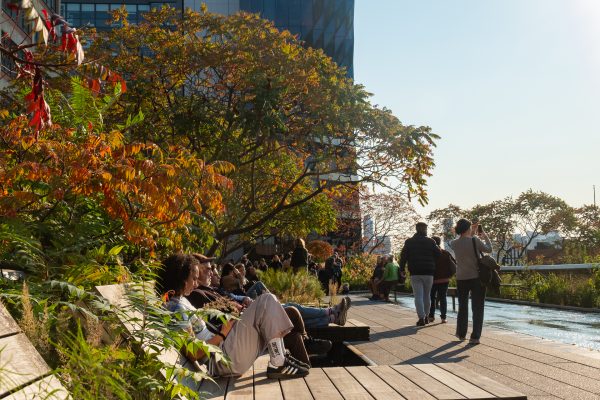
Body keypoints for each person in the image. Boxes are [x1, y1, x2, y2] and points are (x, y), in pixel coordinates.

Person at [156, 253, 309, 379]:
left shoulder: (179, 301)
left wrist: (229, 327)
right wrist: (223, 332)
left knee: (268, 303)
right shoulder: (176, 308)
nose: (196, 284)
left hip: (224, 353)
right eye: (194, 278)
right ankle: (279, 360)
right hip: (221, 360)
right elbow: (194, 353)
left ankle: (279, 358)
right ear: (181, 278)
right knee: (266, 300)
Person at [186, 254, 329, 365]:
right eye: (208, 269)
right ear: (196, 271)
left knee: (293, 335)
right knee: (285, 307)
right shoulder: (197, 294)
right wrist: (242, 310)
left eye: (212, 269)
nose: (212, 272)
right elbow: (218, 320)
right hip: (234, 337)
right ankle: (315, 333)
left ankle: (305, 363)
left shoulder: (210, 290)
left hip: (240, 328)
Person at [449, 219, 493, 345]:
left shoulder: (454, 243)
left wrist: (472, 232)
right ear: (468, 228)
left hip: (461, 278)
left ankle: (461, 334)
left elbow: (466, 241)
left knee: (462, 307)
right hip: (476, 278)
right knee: (477, 307)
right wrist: (485, 236)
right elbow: (488, 249)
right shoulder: (476, 240)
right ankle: (475, 337)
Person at [400, 222, 441, 326]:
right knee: (427, 296)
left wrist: (402, 269)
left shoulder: (409, 242)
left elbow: (403, 256)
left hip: (415, 272)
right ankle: (427, 317)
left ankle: (421, 318)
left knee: (418, 296)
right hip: (429, 272)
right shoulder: (431, 241)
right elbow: (438, 254)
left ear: (416, 229)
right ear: (425, 229)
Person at [428, 236, 456, 323]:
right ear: (440, 242)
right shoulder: (445, 253)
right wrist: (449, 275)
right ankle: (443, 318)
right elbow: (454, 265)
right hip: (444, 280)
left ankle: (431, 316)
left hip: (432, 280)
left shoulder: (430, 254)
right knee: (443, 298)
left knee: (432, 298)